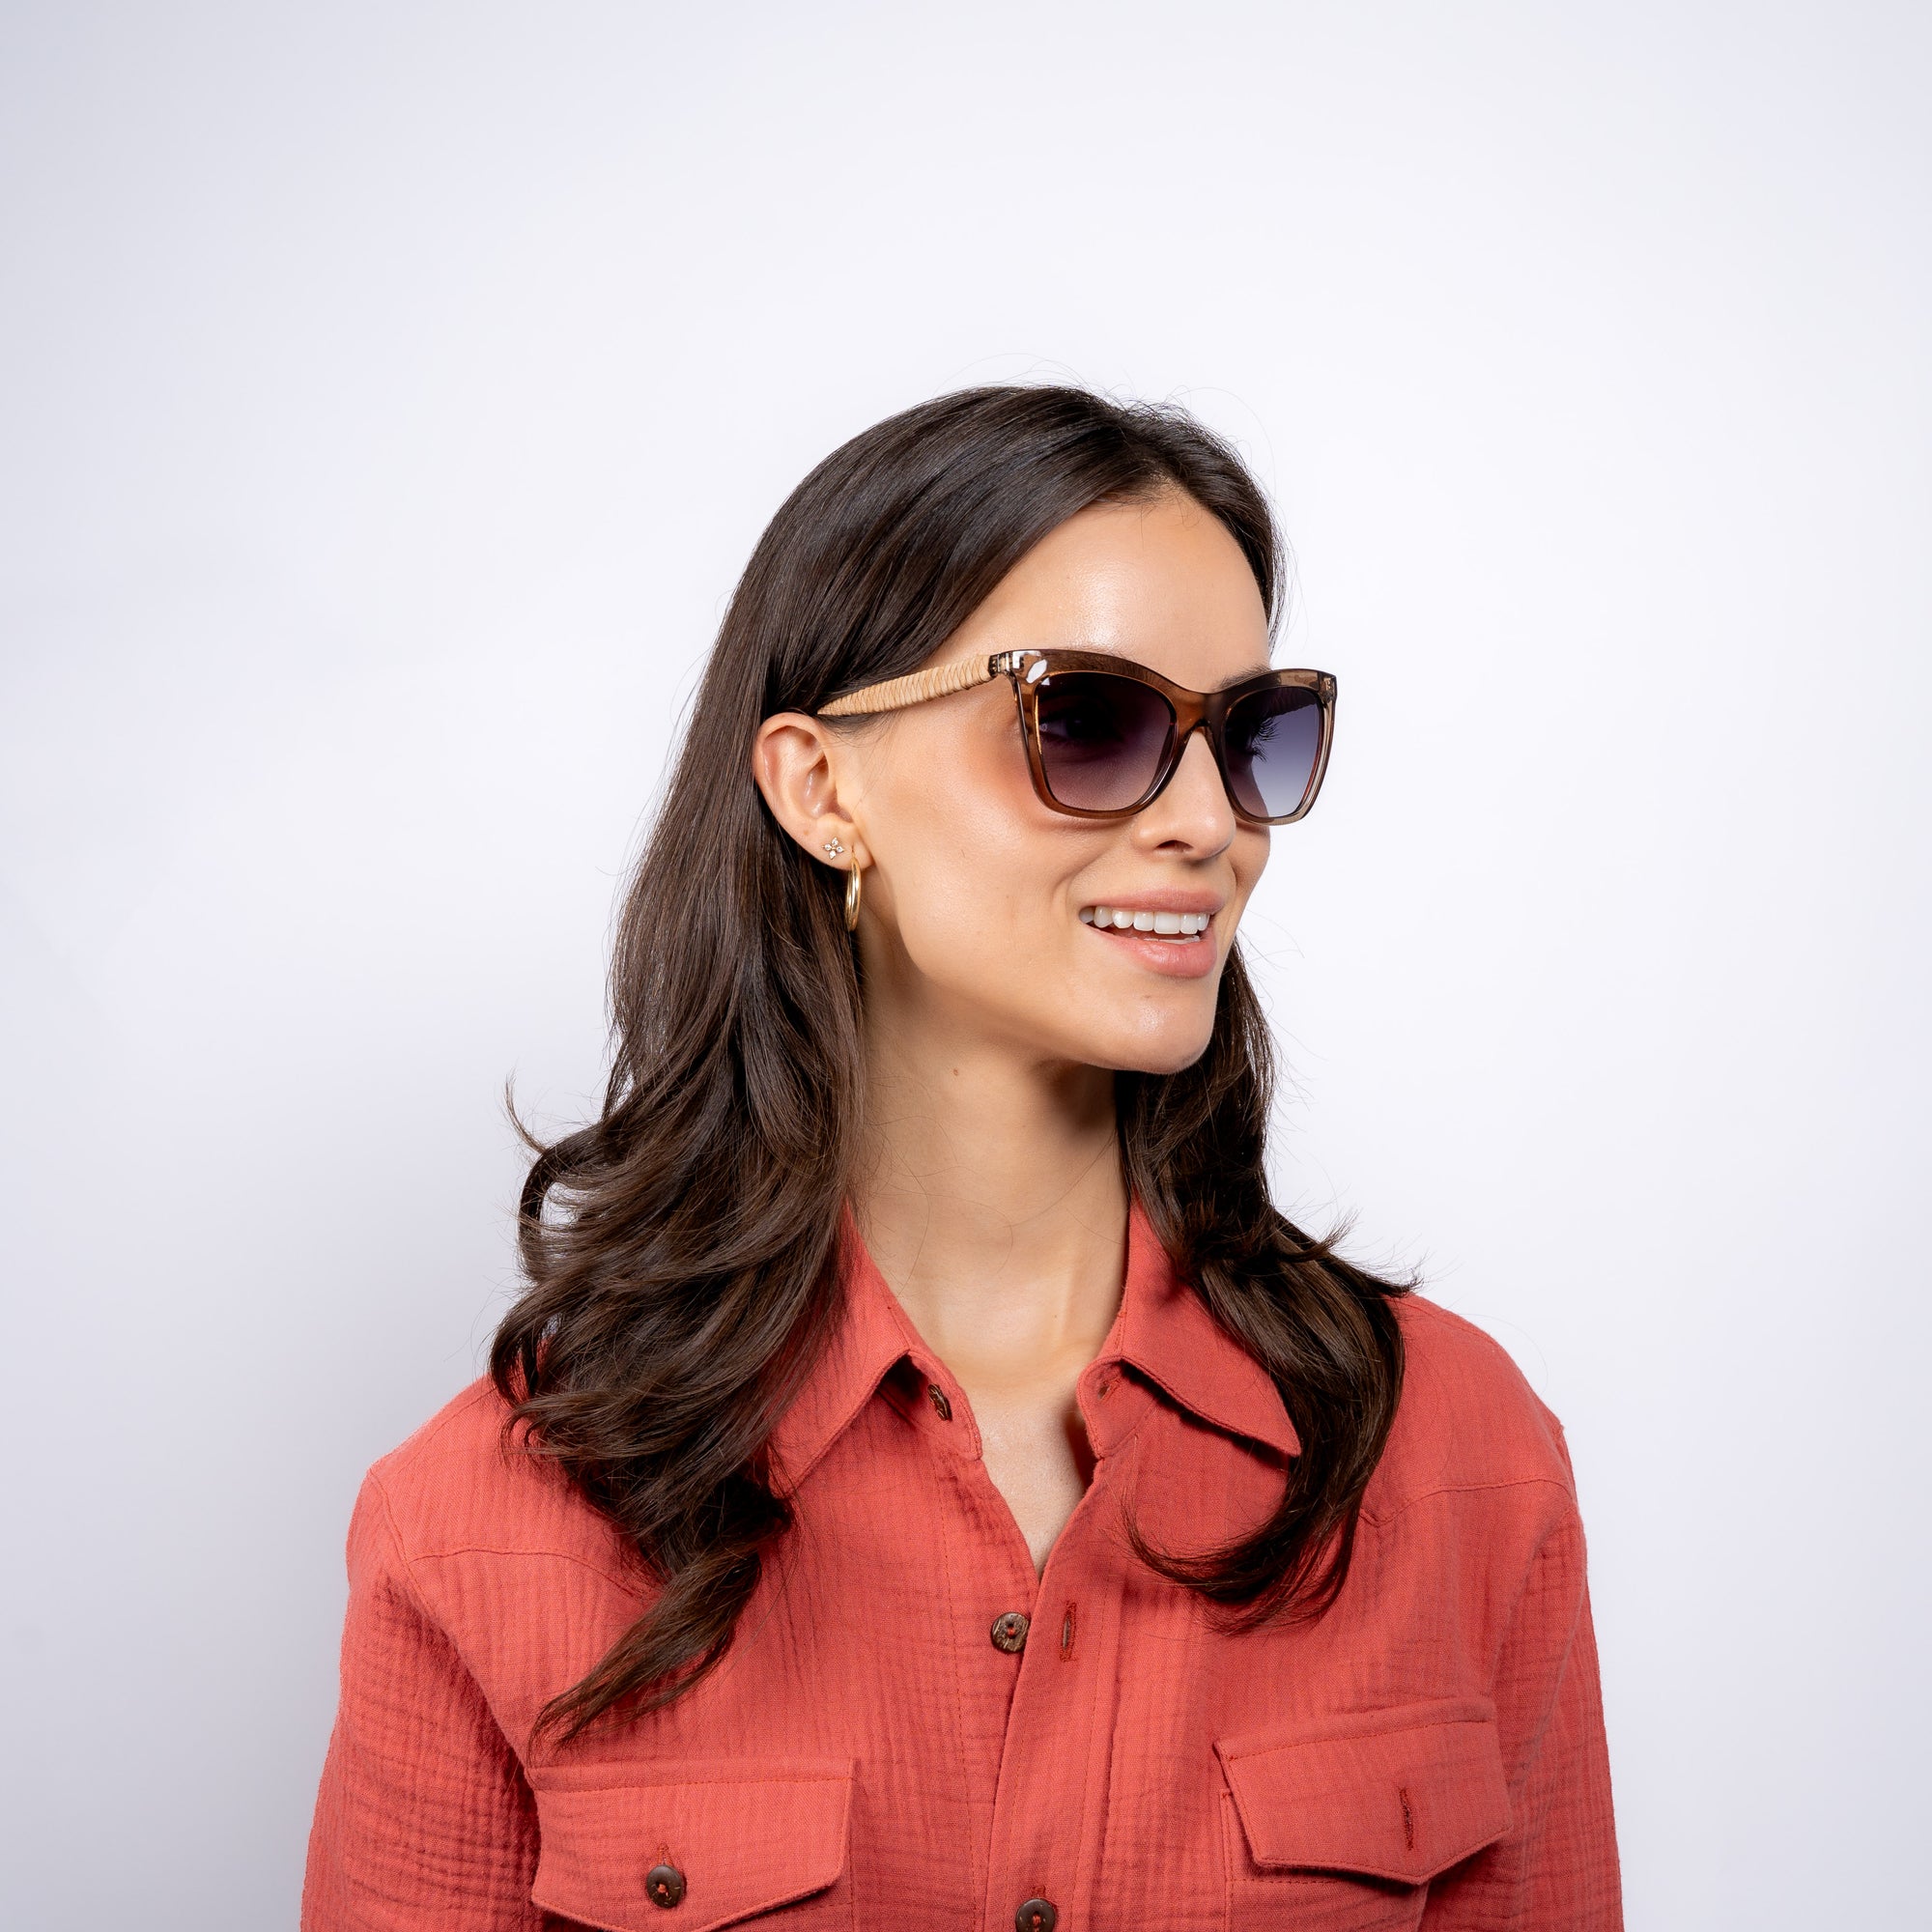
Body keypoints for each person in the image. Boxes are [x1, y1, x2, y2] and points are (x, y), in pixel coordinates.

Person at [302, 385, 1620, 1931]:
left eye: (1251, 736)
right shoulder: (489, 1523)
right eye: (1091, 720)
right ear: (823, 789)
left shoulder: (1457, 1457)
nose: (1211, 823)